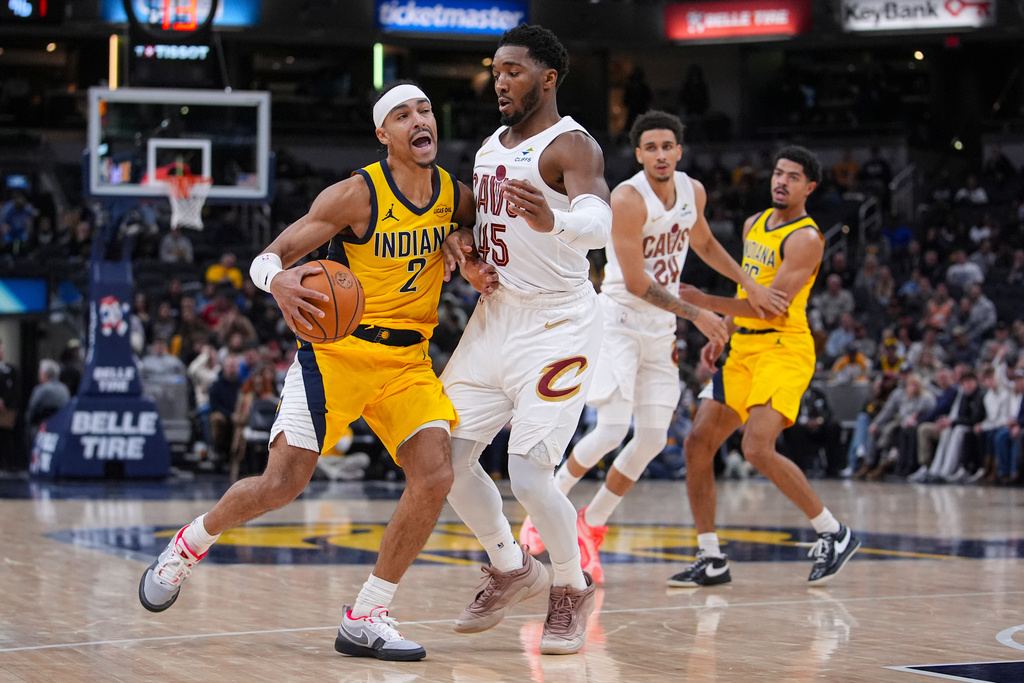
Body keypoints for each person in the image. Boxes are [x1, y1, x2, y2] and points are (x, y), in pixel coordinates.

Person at [138, 82, 491, 662]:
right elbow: (269, 256)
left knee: (434, 475)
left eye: (424, 109)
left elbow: (474, 228)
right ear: (384, 135)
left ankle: (367, 615)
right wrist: (275, 280)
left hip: (407, 361)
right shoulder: (356, 194)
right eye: (401, 115)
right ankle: (187, 545)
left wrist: (461, 237)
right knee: (282, 484)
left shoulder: (454, 194)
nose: (417, 120)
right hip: (338, 354)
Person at [518, 110, 780, 584]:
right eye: (651, 148)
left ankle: (590, 526)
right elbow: (637, 282)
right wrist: (698, 313)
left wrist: (747, 284)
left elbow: (701, 241)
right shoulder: (627, 197)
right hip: (618, 319)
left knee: (655, 437)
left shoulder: (692, 192)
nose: (660, 155)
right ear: (639, 154)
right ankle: (539, 512)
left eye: (668, 146)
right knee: (612, 429)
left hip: (662, 327)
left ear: (679, 150)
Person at [439, 24, 614, 656]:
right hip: (495, 319)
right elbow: (477, 227)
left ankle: (570, 586)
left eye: (513, 69)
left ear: (548, 77)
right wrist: (466, 252)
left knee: (530, 475)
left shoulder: (572, 147)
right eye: (495, 69)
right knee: (440, 460)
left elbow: (598, 216)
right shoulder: (491, 145)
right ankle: (512, 566)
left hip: (559, 324)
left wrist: (558, 219)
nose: (500, 80)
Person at [663, 146, 861, 588]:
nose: (781, 181)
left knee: (756, 446)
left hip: (783, 348)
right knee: (697, 444)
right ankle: (711, 557)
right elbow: (748, 289)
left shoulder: (806, 238)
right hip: (744, 348)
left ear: (809, 187)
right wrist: (723, 332)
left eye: (792, 177)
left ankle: (834, 532)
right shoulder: (754, 224)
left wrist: (702, 304)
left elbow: (772, 310)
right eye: (777, 173)